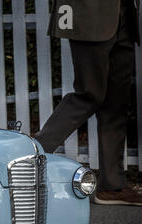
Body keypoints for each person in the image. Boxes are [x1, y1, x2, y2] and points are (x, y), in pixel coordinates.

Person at [35, 0, 141, 206]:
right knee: (89, 95)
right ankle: (28, 154)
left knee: (116, 104)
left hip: (124, 15)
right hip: (88, 16)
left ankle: (112, 186)